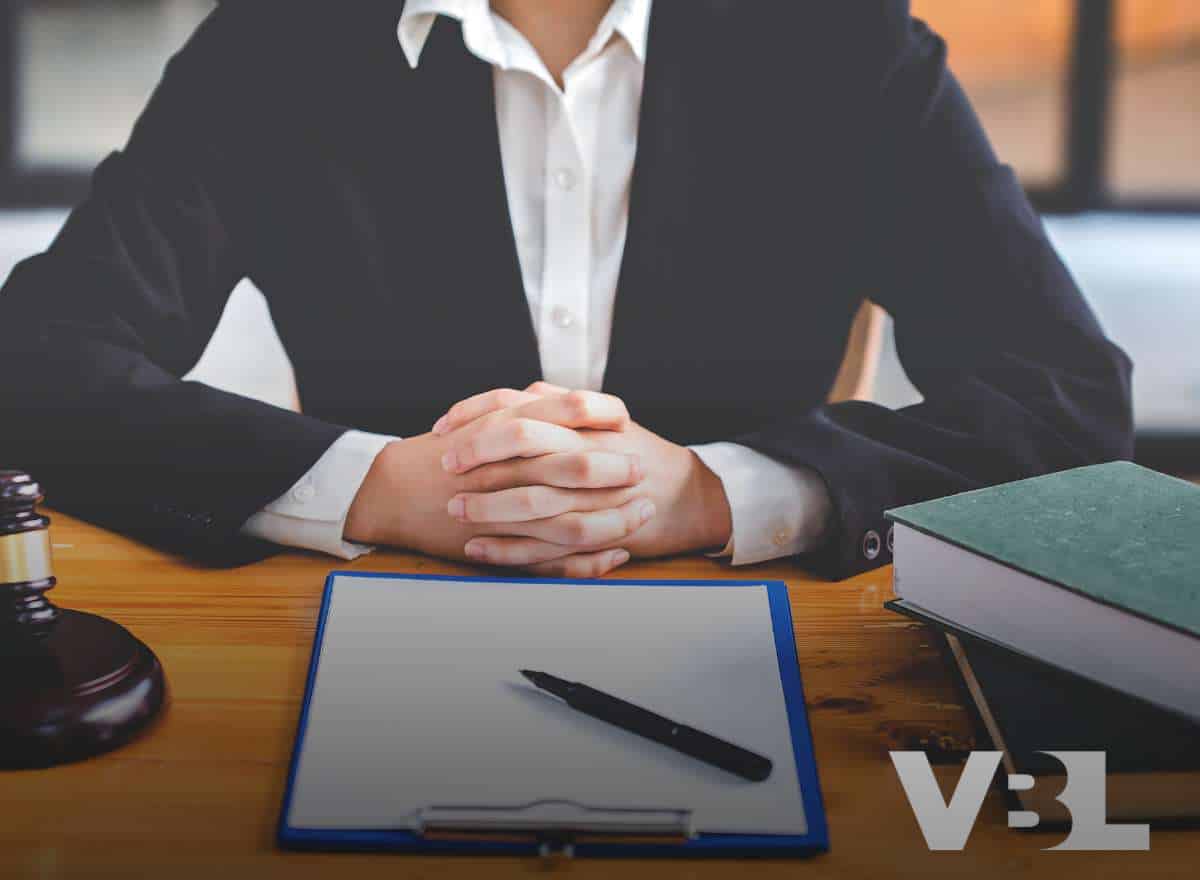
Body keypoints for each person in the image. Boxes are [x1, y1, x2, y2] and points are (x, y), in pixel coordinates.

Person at [0, 0, 1133, 580]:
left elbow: (1066, 399)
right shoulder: (279, 41)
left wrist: (709, 495)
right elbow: (38, 364)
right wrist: (379, 489)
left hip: (775, 618)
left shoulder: (839, 40)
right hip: (375, 611)